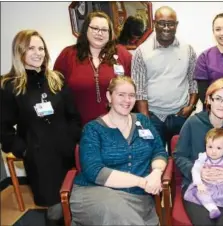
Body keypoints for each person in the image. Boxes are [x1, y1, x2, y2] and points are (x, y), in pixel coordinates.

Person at [0, 30, 82, 225]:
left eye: (41, 48)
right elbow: (3, 127)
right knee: (54, 207)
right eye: (31, 48)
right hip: (40, 159)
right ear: (19, 52)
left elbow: (73, 116)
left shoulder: (57, 79)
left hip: (67, 152)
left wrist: (72, 139)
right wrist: (24, 149)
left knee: (75, 200)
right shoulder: (9, 85)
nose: (38, 53)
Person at [69, 76, 168, 225]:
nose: (127, 100)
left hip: (138, 199)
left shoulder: (143, 121)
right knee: (120, 216)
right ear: (109, 96)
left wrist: (156, 173)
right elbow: (94, 171)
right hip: (95, 192)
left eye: (131, 95)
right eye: (121, 94)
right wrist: (141, 182)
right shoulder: (93, 129)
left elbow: (159, 151)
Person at [173, 78, 223, 226]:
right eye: (218, 99)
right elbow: (179, 155)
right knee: (205, 222)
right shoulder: (193, 123)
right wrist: (197, 172)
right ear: (209, 99)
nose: (222, 105)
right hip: (197, 186)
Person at [132, 6, 198, 153]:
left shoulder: (188, 49)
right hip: (153, 117)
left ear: (176, 25)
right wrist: (145, 120)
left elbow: (194, 82)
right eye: (162, 23)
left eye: (171, 24)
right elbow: (139, 89)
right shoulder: (141, 52)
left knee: (181, 158)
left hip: (180, 115)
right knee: (155, 159)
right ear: (154, 23)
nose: (166, 28)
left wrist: (191, 106)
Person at [54, 11, 132, 126]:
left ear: (110, 33)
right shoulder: (68, 55)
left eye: (104, 30)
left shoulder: (123, 55)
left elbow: (132, 91)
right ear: (86, 29)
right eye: (95, 28)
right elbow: (55, 91)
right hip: (79, 127)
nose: (99, 33)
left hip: (117, 127)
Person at [184, 128, 223, 225]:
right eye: (210, 147)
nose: (213, 151)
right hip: (208, 185)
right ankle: (213, 209)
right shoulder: (203, 157)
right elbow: (195, 169)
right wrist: (199, 183)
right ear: (205, 146)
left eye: (218, 148)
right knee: (200, 193)